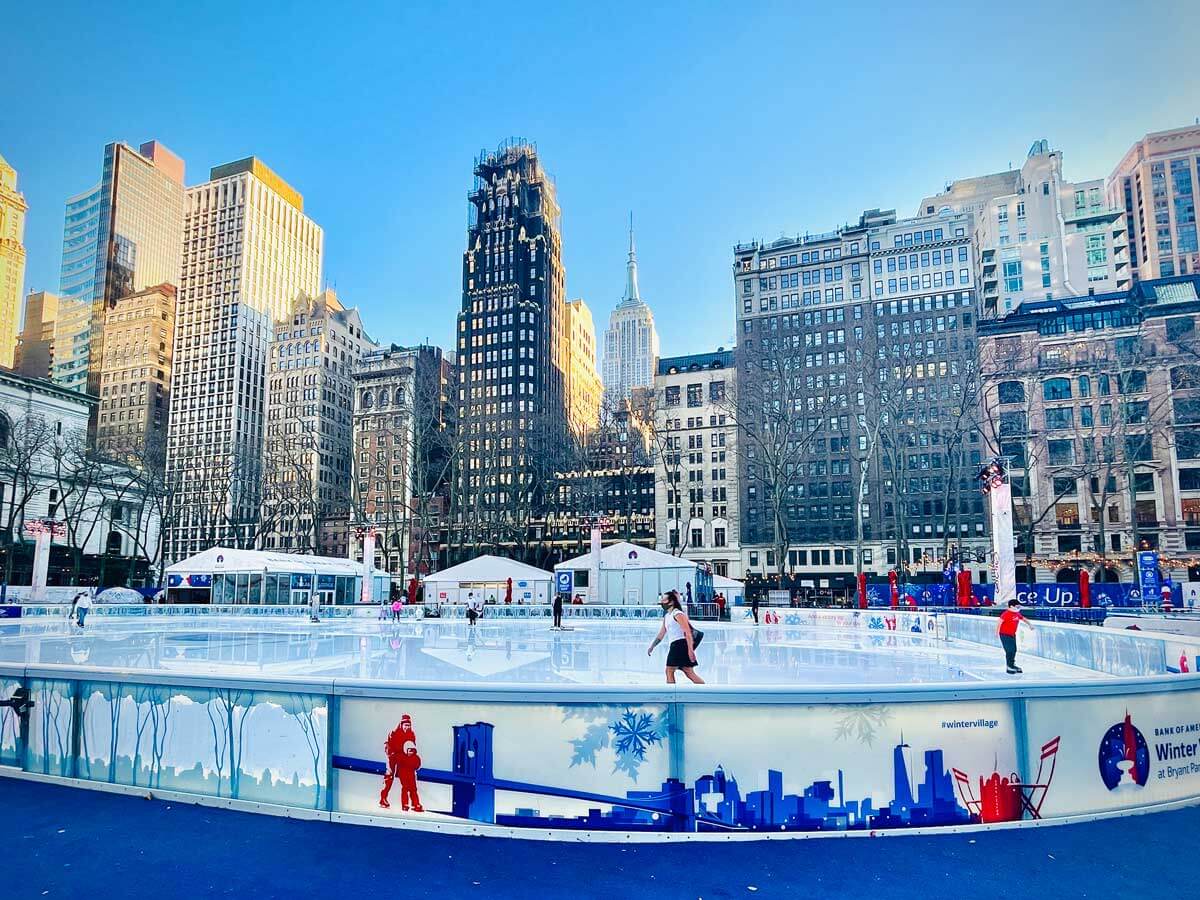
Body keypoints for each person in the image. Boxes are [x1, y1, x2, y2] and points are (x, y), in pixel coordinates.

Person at [647, 590, 704, 685]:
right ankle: (704, 689)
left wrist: (691, 650)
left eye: (664, 600)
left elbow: (688, 632)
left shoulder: (678, 614)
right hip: (676, 644)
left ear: (671, 601)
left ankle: (671, 693)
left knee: (669, 670)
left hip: (680, 644)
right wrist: (652, 646)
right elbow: (661, 634)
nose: (662, 602)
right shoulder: (667, 616)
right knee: (688, 671)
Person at [380, 714, 421, 810]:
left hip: (403, 758)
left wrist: (412, 759)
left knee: (409, 779)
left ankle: (413, 803)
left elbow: (412, 747)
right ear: (401, 724)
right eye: (405, 725)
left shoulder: (411, 734)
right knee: (389, 777)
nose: (407, 727)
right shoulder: (394, 733)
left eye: (409, 725)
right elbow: (388, 745)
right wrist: (390, 753)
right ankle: (383, 798)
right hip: (393, 756)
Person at [997, 599, 1033, 674]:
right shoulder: (1006, 614)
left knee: (1014, 650)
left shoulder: (1017, 613)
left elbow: (1023, 619)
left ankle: (1012, 664)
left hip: (1012, 634)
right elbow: (999, 622)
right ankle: (1009, 666)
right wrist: (996, 633)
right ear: (1011, 606)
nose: (1018, 607)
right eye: (1017, 606)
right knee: (1009, 650)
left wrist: (1030, 624)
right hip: (1004, 634)